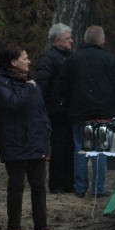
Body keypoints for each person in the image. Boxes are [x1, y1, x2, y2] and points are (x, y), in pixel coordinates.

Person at [0, 44, 54, 230]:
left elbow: (40, 111)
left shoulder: (31, 83)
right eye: (24, 58)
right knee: (16, 185)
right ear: (13, 61)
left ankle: (42, 226)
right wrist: (28, 88)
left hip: (36, 140)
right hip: (14, 141)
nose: (28, 61)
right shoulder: (0, 82)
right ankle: (14, 227)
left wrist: (46, 133)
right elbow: (13, 104)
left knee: (39, 186)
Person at [57, 25, 115, 198]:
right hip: (103, 112)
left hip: (79, 112)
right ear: (103, 41)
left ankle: (80, 188)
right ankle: (98, 188)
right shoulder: (110, 60)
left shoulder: (72, 59)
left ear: (83, 39)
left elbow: (62, 86)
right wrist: (114, 105)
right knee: (100, 150)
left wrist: (68, 105)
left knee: (80, 150)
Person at [35, 23, 74, 194]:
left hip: (69, 109)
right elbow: (42, 85)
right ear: (57, 41)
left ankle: (68, 182)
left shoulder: (71, 56)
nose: (71, 41)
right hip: (55, 110)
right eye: (68, 39)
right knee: (58, 147)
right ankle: (56, 183)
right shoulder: (47, 58)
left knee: (69, 148)